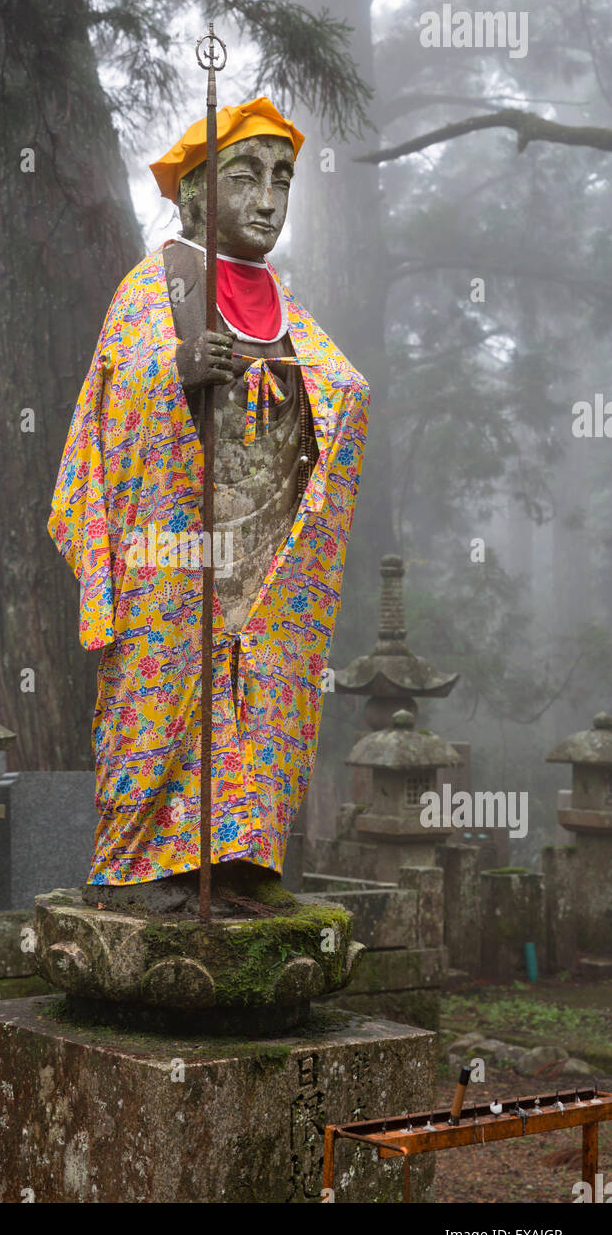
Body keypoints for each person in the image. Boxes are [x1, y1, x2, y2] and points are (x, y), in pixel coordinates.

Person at [49, 97, 369, 913]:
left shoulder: (283, 306)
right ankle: (141, 866)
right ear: (195, 194)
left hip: (262, 554)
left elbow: (343, 391)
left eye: (283, 179)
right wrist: (182, 368)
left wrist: (304, 392)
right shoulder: (155, 286)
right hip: (174, 545)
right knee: (161, 687)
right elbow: (111, 405)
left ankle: (239, 859)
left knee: (260, 695)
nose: (268, 198)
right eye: (246, 175)